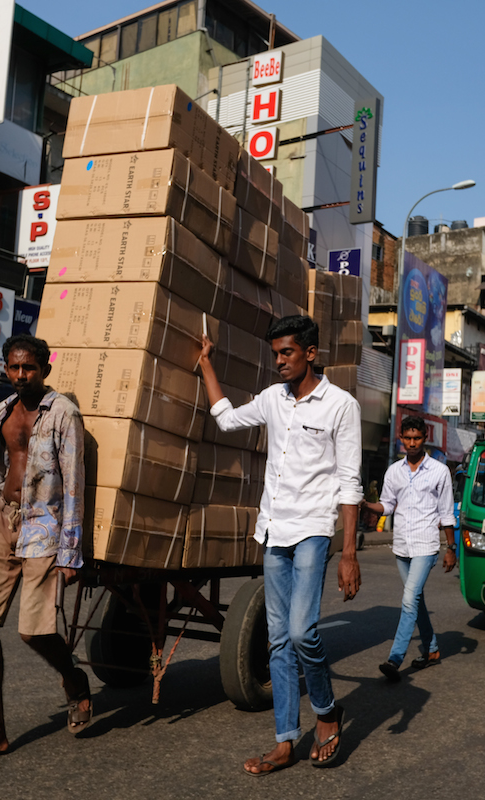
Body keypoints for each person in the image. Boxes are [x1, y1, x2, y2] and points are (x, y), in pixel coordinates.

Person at [198, 315, 362, 775]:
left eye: (286, 353)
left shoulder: (341, 406)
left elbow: (349, 484)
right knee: (276, 643)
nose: (279, 362)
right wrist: (207, 364)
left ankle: (327, 712)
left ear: (310, 353)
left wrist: (348, 553)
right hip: (273, 530)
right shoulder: (272, 399)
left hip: (313, 530)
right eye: (275, 354)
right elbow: (228, 420)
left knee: (301, 632)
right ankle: (285, 741)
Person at [0, 334, 91, 767]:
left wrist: (70, 552)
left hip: (44, 527)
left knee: (34, 631)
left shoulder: (63, 413)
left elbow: (75, 483)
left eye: (28, 368)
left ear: (45, 368)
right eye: (13, 367)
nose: (20, 376)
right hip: (0, 522)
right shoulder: (1, 411)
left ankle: (73, 678)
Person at [360, 416, 456, 682]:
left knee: (409, 598)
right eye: (408, 438)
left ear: (425, 438)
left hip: (426, 545)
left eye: (417, 438)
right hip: (401, 545)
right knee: (415, 600)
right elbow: (387, 505)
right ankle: (432, 649)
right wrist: (366, 505)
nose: (412, 443)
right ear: (401, 439)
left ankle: (395, 658)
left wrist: (451, 547)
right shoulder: (394, 471)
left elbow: (447, 513)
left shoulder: (439, 471)